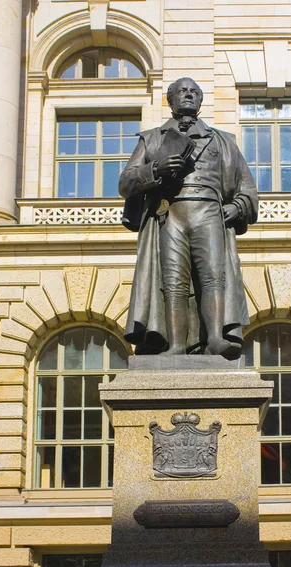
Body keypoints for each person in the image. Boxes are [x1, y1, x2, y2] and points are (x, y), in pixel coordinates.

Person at [119, 77, 258, 358]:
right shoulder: (153, 138)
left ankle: (216, 338)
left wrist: (238, 207)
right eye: (182, 91)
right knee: (173, 281)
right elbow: (126, 183)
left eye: (195, 91)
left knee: (213, 276)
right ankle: (176, 345)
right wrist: (156, 169)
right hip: (170, 215)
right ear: (169, 99)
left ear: (201, 100)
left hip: (210, 214)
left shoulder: (223, 141)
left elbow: (247, 188)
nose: (189, 95)